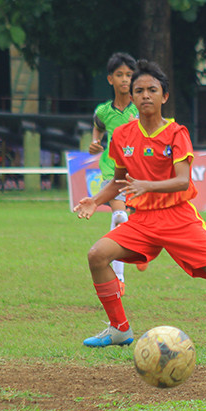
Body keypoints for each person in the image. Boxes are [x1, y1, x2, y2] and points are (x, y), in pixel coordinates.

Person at [73, 59, 206, 350]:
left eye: (152, 90)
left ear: (164, 96)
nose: (145, 95)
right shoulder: (123, 135)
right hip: (143, 220)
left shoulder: (177, 133)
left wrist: (146, 186)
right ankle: (119, 329)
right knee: (97, 255)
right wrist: (96, 199)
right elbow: (119, 180)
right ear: (132, 96)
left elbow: (182, 182)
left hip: (179, 218)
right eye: (139, 90)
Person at [88, 52, 142, 293]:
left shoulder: (140, 109)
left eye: (129, 75)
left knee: (136, 222)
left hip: (139, 174)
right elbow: (98, 127)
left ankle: (140, 253)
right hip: (113, 172)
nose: (124, 80)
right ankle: (119, 277)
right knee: (120, 217)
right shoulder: (103, 111)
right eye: (119, 75)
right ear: (110, 79)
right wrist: (94, 142)